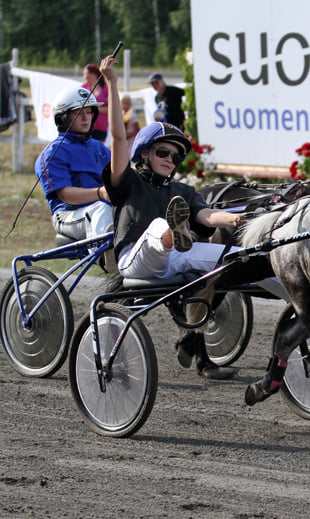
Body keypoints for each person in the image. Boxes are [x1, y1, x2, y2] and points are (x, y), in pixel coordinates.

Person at [100, 56, 282, 379]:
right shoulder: (128, 181)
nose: (170, 160)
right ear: (144, 154)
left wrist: (236, 221)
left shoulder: (182, 190)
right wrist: (112, 84)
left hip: (178, 258)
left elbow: (207, 215)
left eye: (175, 156)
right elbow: (117, 139)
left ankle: (303, 294)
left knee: (246, 257)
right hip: (136, 259)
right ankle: (173, 231)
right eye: (162, 153)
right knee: (160, 228)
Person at [34, 86, 113, 243]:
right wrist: (101, 193)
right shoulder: (54, 152)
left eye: (89, 112)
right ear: (63, 118)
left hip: (103, 211)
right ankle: (104, 254)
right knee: (100, 209)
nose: (86, 118)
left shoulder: (100, 149)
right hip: (68, 215)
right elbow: (65, 195)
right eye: (78, 113)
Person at [82, 63, 109, 142]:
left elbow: (110, 108)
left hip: (101, 127)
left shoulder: (105, 88)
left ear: (93, 74)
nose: (84, 77)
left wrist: (94, 108)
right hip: (86, 125)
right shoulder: (83, 88)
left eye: (86, 74)